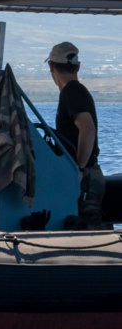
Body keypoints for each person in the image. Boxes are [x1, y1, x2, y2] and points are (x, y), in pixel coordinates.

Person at [47, 41, 105, 227]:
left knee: (89, 231)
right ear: (77, 67)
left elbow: (87, 129)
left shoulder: (72, 92)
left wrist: (79, 169)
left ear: (51, 67)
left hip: (85, 176)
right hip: (85, 173)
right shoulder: (75, 92)